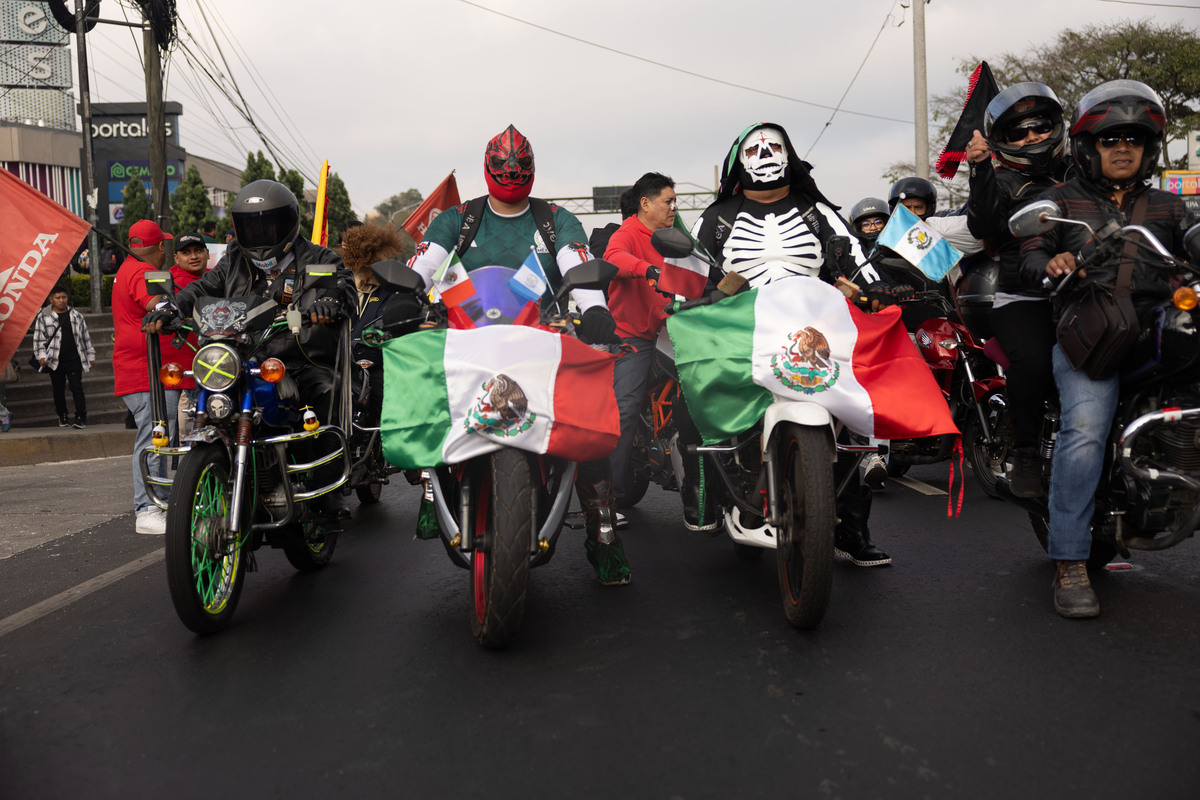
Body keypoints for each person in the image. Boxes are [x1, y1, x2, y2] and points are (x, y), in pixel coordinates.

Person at [407, 124, 631, 586]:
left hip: (542, 336)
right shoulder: (458, 219)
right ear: (487, 169)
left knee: (584, 426)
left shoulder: (554, 219)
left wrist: (596, 311)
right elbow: (425, 263)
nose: (512, 173)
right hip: (469, 336)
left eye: (520, 167)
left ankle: (603, 531)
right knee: (421, 385)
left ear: (532, 170)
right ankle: (430, 485)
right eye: (503, 167)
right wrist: (403, 293)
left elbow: (576, 263)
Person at [1019, 80, 1195, 619]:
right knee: (1088, 428)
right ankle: (1070, 560)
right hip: (1091, 337)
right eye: (1109, 139)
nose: (1122, 147)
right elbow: (1027, 250)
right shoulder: (1059, 201)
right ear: (1088, 147)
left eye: (1134, 140)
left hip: (1158, 327)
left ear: (1149, 149)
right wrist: (1050, 262)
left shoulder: (1169, 205)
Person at [687, 122, 896, 566]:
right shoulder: (716, 216)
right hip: (742, 330)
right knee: (707, 404)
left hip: (815, 327)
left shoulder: (817, 210)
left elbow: (856, 255)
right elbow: (688, 270)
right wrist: (696, 296)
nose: (764, 153)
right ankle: (716, 496)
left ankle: (851, 529)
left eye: (773, 145)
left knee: (850, 416)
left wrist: (876, 288)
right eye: (754, 147)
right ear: (738, 161)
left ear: (789, 154)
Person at [147, 180, 357, 524]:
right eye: (251, 225)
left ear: (288, 222)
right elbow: (202, 287)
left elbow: (342, 283)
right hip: (242, 356)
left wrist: (330, 301)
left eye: (267, 223)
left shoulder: (318, 257)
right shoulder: (233, 260)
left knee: (325, 390)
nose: (259, 233)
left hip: (299, 357)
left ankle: (326, 486)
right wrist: (172, 306)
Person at [966, 82, 1070, 498]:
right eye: (1018, 132)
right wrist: (979, 169)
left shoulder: (1080, 173)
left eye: (1040, 127)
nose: (1031, 137)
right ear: (1002, 142)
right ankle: (1026, 453)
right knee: (1034, 361)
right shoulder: (1001, 181)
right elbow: (985, 224)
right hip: (1023, 298)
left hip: (1083, 292)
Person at [603, 172, 677, 509]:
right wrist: (647, 270)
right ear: (645, 204)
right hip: (634, 335)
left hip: (675, 329)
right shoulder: (628, 232)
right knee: (626, 407)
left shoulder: (673, 236)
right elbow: (613, 258)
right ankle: (609, 498)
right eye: (668, 201)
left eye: (675, 201)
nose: (674, 207)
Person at [112, 220, 189, 534]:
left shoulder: (128, 268)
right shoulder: (141, 272)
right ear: (161, 247)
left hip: (143, 368)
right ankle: (146, 508)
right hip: (144, 370)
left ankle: (160, 501)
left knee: (159, 435)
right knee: (153, 437)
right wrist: (172, 305)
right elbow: (156, 303)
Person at [33, 286, 94, 428]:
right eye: (58, 298)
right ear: (51, 299)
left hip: (74, 358)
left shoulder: (76, 315)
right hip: (54, 360)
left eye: (64, 297)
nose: (61, 301)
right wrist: (41, 356)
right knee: (58, 389)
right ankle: (63, 416)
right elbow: (38, 339)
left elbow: (85, 337)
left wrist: (90, 355)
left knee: (77, 388)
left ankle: (80, 417)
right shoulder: (44, 316)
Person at [169, 232, 207, 435]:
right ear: (176, 258)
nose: (193, 256)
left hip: (217, 366)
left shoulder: (215, 278)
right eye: (186, 252)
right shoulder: (175, 283)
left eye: (198, 250)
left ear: (207, 253)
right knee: (192, 435)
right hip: (189, 374)